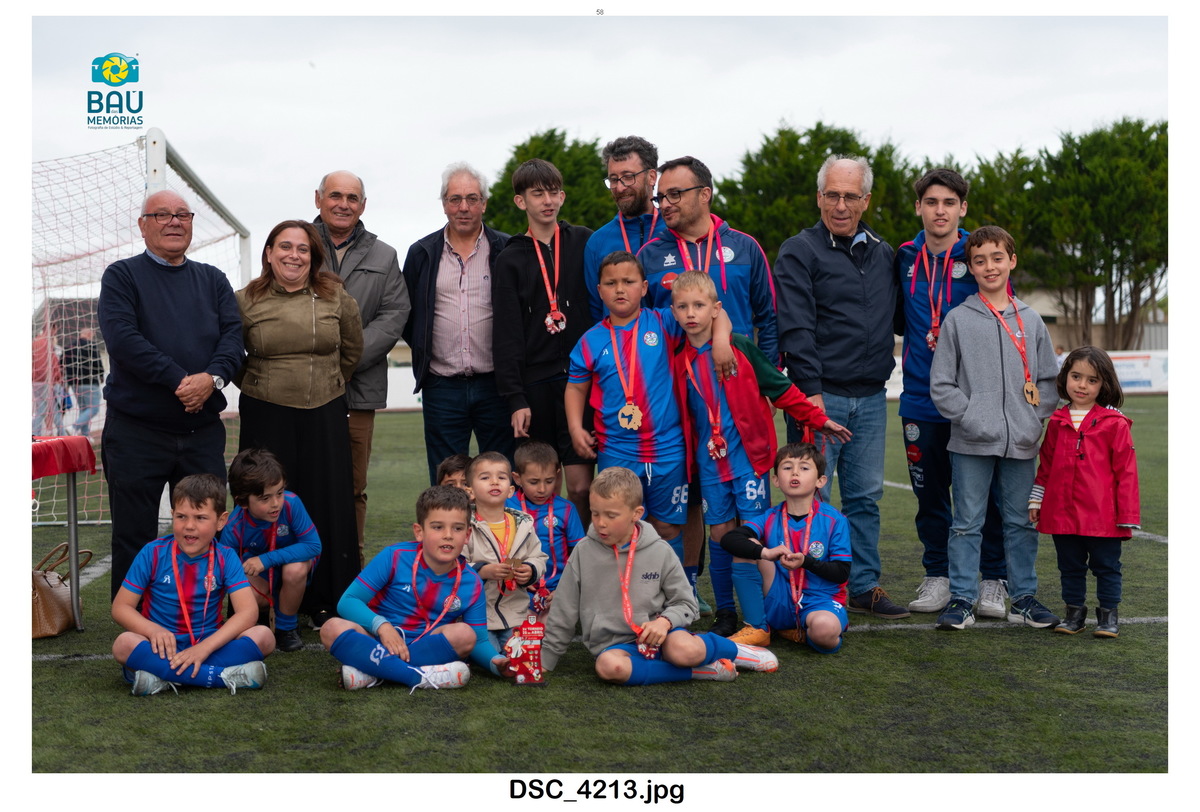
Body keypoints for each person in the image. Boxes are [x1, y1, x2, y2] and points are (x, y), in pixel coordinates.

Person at [668, 271, 851, 644]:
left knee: (753, 536)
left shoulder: (739, 348)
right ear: (673, 312)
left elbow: (780, 388)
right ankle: (726, 613)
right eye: (683, 306)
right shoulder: (677, 359)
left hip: (748, 460)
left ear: (716, 309)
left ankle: (761, 618)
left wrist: (818, 419)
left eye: (699, 305)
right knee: (720, 535)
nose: (691, 313)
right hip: (709, 462)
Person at [638, 155, 780, 635]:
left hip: (738, 406)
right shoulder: (651, 254)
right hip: (681, 404)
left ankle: (766, 610)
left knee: (747, 513)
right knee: (696, 505)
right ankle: (698, 597)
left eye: (675, 194)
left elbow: (767, 317)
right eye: (660, 196)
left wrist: (764, 384)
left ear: (705, 194)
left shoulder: (744, 247)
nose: (665, 203)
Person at [773, 155, 907, 620]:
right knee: (812, 497)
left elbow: (898, 318)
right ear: (819, 197)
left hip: (871, 396)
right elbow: (795, 326)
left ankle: (864, 585)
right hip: (820, 396)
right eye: (832, 195)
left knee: (865, 498)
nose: (841, 205)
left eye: (851, 196)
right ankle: (810, 590)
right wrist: (810, 392)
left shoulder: (883, 252)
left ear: (866, 200)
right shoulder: (799, 250)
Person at [98, 189, 244, 601]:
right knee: (134, 534)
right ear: (143, 226)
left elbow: (233, 339)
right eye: (162, 215)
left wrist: (211, 379)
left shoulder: (213, 279)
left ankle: (202, 616)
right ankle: (135, 625)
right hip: (136, 432)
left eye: (183, 214)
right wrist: (181, 381)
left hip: (201, 431)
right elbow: (124, 340)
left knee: (205, 531)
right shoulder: (122, 276)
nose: (174, 221)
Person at [565, 252, 733, 566]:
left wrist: (721, 340)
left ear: (644, 288)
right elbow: (576, 387)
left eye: (628, 281)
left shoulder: (664, 321)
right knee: (620, 526)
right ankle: (626, 589)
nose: (619, 289)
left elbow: (716, 313)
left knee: (667, 526)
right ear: (599, 290)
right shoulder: (590, 340)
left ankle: (677, 589)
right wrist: (575, 427)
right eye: (610, 283)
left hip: (667, 448)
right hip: (617, 450)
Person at [235, 220, 363, 631]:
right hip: (266, 412)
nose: (294, 255)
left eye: (303, 248)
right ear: (269, 253)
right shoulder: (245, 300)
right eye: (285, 246)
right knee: (266, 502)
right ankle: (259, 600)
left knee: (328, 500)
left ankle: (327, 599)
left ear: (314, 256)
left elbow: (352, 349)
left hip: (324, 410)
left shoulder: (335, 295)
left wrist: (328, 383)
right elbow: (232, 356)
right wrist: (261, 385)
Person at [930, 226, 1060, 631]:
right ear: (970, 267)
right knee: (966, 523)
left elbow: (1048, 382)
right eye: (980, 260)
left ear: (1012, 261)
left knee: (1022, 522)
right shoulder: (957, 319)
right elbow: (942, 385)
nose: (990, 266)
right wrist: (974, 417)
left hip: (1021, 441)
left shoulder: (1032, 320)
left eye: (997, 258)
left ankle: (1023, 598)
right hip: (970, 441)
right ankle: (962, 598)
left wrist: (1030, 421)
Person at [893, 169, 1009, 617]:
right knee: (930, 497)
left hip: (974, 401)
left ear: (962, 208)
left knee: (986, 497)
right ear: (918, 207)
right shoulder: (904, 257)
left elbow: (1003, 318)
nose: (939, 211)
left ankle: (993, 579)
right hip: (921, 399)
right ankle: (938, 575)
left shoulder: (978, 255)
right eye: (931, 202)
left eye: (948, 202)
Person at [540, 467, 779, 685]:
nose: (600, 523)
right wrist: (546, 660)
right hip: (613, 647)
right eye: (595, 514)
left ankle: (738, 652)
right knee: (609, 668)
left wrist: (664, 622)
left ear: (636, 513)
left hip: (662, 638)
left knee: (685, 650)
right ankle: (703, 671)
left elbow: (686, 603)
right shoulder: (583, 551)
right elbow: (564, 608)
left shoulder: (659, 550)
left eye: (611, 516)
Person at [320, 485, 513, 691]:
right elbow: (348, 601)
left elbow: (479, 640)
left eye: (457, 528)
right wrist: (382, 627)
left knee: (465, 635)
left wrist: (496, 663)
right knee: (331, 628)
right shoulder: (394, 556)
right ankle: (416, 676)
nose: (448, 535)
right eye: (438, 527)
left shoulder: (471, 581)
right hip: (378, 641)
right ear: (419, 532)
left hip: (425, 646)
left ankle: (374, 672)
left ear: (467, 535)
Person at [312, 170, 411, 568]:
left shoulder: (384, 255)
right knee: (302, 484)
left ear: (363, 205)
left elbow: (394, 314)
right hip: (301, 389)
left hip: (358, 392)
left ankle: (349, 567)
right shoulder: (297, 243)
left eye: (352, 198)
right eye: (335, 195)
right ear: (318, 199)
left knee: (352, 485)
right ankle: (304, 568)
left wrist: (348, 359)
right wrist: (318, 361)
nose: (344, 204)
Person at [491, 159, 596, 518]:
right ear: (521, 201)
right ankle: (547, 552)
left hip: (580, 381)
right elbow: (506, 334)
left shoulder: (583, 241)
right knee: (542, 488)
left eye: (553, 193)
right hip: (535, 386)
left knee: (581, 488)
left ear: (562, 196)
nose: (547, 201)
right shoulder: (510, 259)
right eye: (538, 194)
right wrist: (515, 398)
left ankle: (583, 550)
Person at [111, 474, 274, 696]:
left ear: (221, 521)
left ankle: (162, 676)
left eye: (200, 518)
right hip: (160, 647)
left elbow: (248, 613)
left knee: (264, 637)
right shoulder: (153, 552)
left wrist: (203, 648)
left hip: (209, 646)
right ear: (172, 515)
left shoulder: (226, 557)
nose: (189, 526)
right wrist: (153, 630)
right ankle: (220, 677)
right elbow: (121, 607)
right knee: (124, 643)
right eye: (181, 516)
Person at [402, 163, 513, 484]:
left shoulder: (507, 249)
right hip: (442, 387)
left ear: (484, 203)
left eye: (472, 198)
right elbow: (409, 316)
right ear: (444, 204)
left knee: (499, 478)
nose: (463, 207)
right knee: (447, 480)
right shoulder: (421, 253)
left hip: (497, 386)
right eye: (455, 199)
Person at [1029, 346, 1139, 638]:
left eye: (1092, 380)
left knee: (1107, 566)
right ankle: (1074, 614)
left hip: (1103, 517)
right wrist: (1037, 499)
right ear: (1065, 377)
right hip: (1062, 513)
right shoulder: (1056, 421)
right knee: (1069, 567)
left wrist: (1127, 514)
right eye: (1076, 376)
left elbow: (1126, 472)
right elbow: (1046, 465)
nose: (1082, 385)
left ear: (1104, 384)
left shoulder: (1114, 423)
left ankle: (1108, 617)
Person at [720, 444, 852, 653]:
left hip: (820, 601)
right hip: (779, 597)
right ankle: (758, 627)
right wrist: (765, 552)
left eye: (804, 468)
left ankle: (801, 633)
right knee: (747, 547)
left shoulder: (835, 520)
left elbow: (841, 572)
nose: (795, 473)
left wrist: (806, 562)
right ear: (776, 480)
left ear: (820, 481)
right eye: (787, 467)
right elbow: (730, 539)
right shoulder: (770, 517)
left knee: (824, 631)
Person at [219, 448, 321, 653]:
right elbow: (224, 569)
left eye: (279, 493)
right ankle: (265, 613)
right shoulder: (234, 526)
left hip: (291, 567)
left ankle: (286, 627)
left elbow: (313, 545)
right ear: (242, 501)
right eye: (265, 498)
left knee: (295, 569)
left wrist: (266, 559)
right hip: (261, 575)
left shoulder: (291, 504)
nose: (276, 504)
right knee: (244, 587)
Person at [463, 451, 547, 650]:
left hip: (516, 612)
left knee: (526, 654)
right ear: (470, 491)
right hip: (478, 615)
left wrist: (530, 569)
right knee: (489, 654)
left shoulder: (524, 524)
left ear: (510, 491)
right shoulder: (464, 525)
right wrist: (482, 571)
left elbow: (539, 556)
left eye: (501, 477)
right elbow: (455, 565)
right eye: (485, 478)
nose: (494, 482)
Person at [583, 135, 670, 321]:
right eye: (614, 179)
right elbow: (595, 314)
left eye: (628, 177)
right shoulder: (597, 243)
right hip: (618, 340)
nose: (620, 188)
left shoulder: (675, 230)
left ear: (652, 177)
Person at [506, 441, 586, 608]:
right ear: (517, 478)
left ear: (557, 475)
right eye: (534, 482)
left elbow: (579, 555)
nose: (542, 489)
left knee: (549, 621)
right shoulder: (507, 507)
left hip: (558, 588)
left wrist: (566, 588)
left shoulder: (566, 509)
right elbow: (502, 547)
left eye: (549, 481)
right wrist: (515, 577)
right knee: (523, 622)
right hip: (518, 586)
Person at [62, 326, 105, 437]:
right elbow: (97, 363)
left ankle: (85, 435)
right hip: (90, 383)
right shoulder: (91, 345)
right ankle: (73, 427)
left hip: (75, 384)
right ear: (89, 334)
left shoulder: (68, 347)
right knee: (94, 409)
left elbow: (61, 364)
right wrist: (101, 376)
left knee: (83, 410)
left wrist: (66, 382)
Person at [31, 324, 64, 435]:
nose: (55, 333)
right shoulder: (44, 342)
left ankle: (35, 434)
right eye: (55, 330)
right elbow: (44, 363)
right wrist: (54, 379)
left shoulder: (38, 341)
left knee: (42, 410)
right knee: (54, 409)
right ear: (51, 329)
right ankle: (62, 433)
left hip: (38, 381)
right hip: (44, 381)